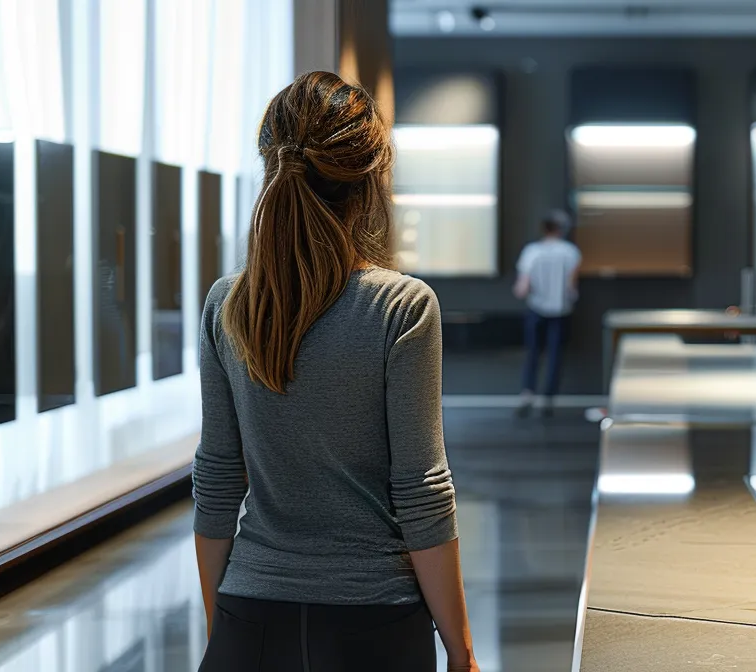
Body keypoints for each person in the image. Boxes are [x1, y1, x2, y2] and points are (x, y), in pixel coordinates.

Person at [193, 71, 477, 672]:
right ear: (371, 181)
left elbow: (219, 480)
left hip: (251, 612)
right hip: (374, 621)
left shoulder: (229, 304)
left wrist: (225, 627)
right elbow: (422, 492)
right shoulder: (401, 306)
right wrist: (461, 651)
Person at [513, 211, 582, 417]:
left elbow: (522, 287)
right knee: (555, 355)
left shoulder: (532, 251)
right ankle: (548, 398)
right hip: (561, 310)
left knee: (533, 352)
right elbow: (572, 285)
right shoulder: (570, 252)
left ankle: (527, 393)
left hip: (536, 308)